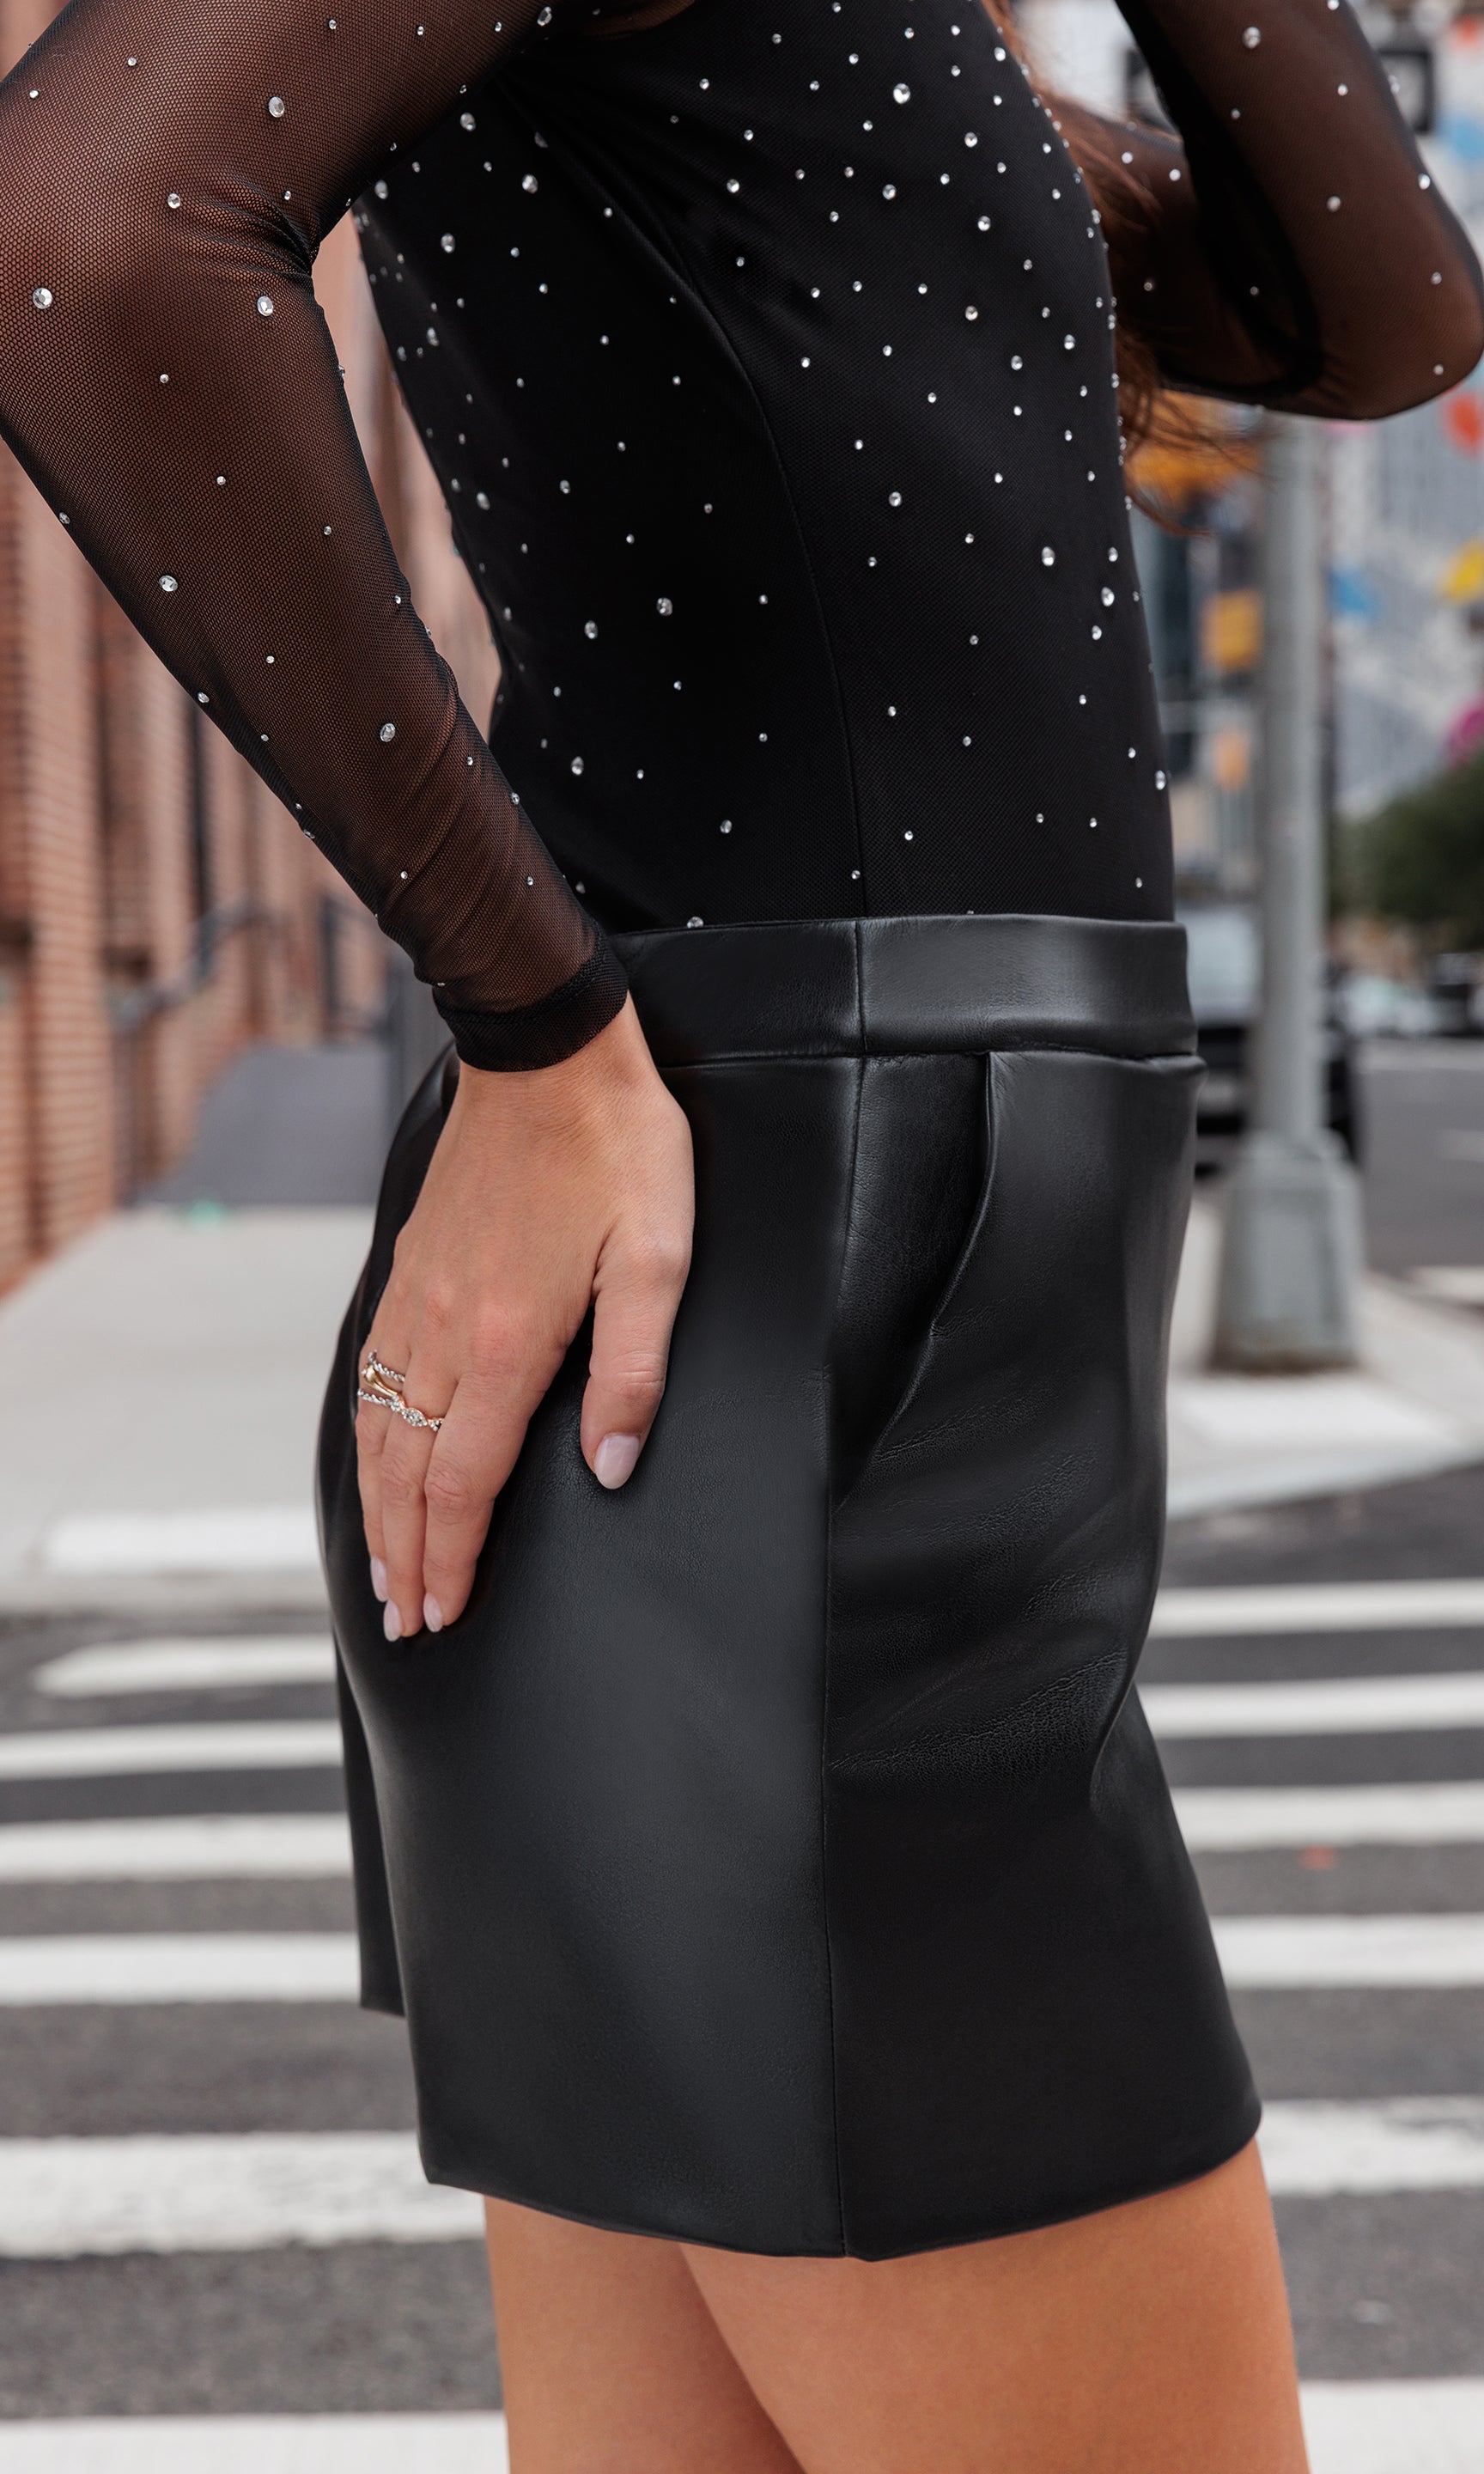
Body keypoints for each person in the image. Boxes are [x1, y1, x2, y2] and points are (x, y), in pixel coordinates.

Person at [2, 0, 1477, 2462]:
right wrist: (532, 1024)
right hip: (800, 1301)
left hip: (788, 1325)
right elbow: (79, 238)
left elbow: (1372, 304)